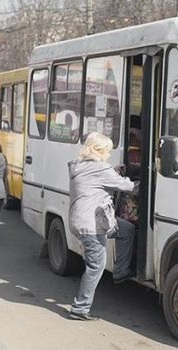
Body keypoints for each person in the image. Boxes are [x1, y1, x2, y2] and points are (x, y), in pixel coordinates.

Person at [68, 132, 137, 321]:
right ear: (99, 150)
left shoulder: (80, 166)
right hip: (92, 224)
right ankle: (80, 308)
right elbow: (129, 187)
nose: (108, 154)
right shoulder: (99, 169)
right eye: (107, 150)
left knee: (127, 230)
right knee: (96, 266)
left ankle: (121, 270)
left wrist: (113, 171)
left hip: (85, 221)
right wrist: (147, 183)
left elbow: (98, 177)